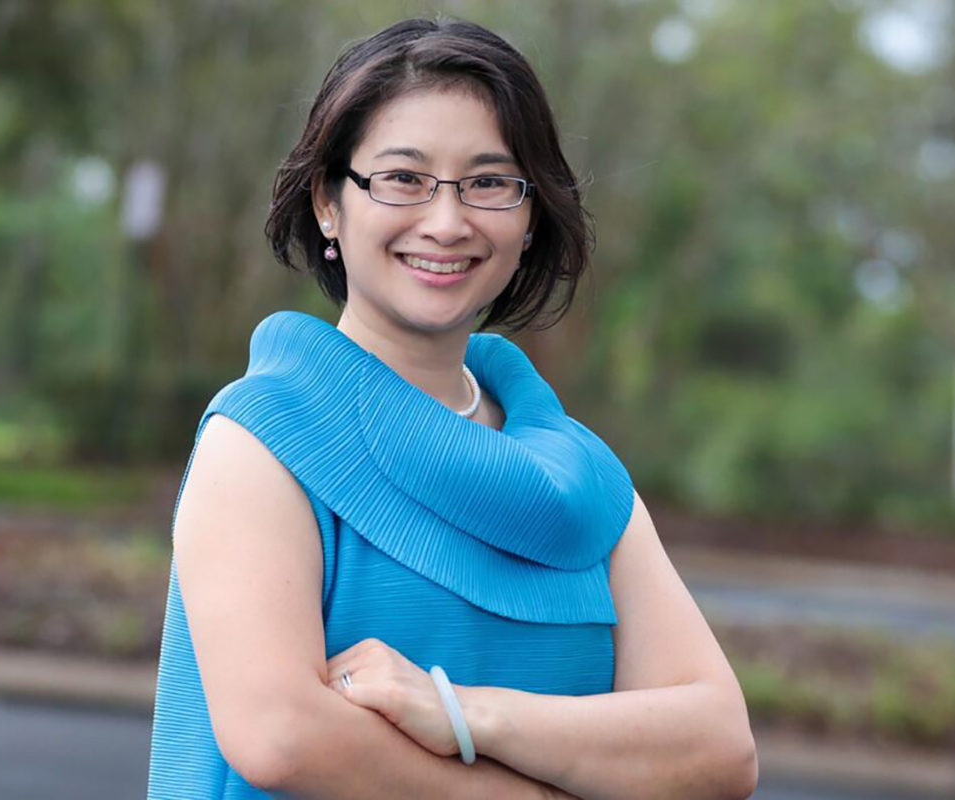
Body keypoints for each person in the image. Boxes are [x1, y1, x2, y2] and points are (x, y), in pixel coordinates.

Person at [147, 16, 757, 800]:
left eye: (489, 183)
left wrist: (464, 714)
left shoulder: (578, 475)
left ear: (531, 215)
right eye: (403, 178)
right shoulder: (263, 437)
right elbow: (281, 734)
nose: (446, 220)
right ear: (329, 203)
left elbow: (719, 746)